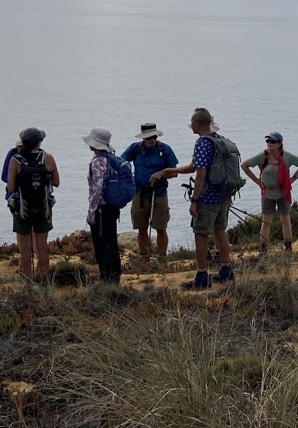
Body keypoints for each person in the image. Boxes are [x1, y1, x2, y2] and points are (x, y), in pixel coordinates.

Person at [157, 107, 236, 290]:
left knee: (200, 234)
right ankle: (226, 269)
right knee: (220, 231)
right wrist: (174, 170)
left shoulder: (202, 143)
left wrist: (194, 200)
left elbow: (200, 174)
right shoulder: (219, 140)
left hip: (207, 197)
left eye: (191, 122)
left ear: (196, 123)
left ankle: (202, 276)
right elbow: (194, 166)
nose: (190, 125)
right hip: (222, 195)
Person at [119, 122, 179, 269]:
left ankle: (163, 259)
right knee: (141, 227)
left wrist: (161, 174)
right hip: (139, 192)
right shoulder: (135, 148)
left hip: (159, 193)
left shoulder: (165, 149)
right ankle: (143, 258)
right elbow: (121, 162)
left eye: (154, 137)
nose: (151, 140)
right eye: (148, 138)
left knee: (160, 226)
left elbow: (175, 172)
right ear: (143, 138)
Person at [6, 127, 60, 282]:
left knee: (24, 248)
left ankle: (27, 281)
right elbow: (56, 182)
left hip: (22, 209)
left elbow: (10, 187)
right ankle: (44, 280)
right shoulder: (47, 158)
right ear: (39, 142)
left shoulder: (16, 160)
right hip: (43, 209)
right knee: (42, 246)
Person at [242, 132, 298, 254]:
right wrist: (257, 181)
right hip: (267, 193)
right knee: (266, 222)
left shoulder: (287, 156)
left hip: (283, 192)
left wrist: (293, 178)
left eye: (272, 141)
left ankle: (288, 248)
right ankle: (263, 250)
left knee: (285, 220)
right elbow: (244, 165)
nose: (269, 143)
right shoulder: (263, 156)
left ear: (279, 144)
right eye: (267, 141)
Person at [83, 128, 123, 284]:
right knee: (112, 240)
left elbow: (97, 187)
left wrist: (91, 211)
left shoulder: (98, 161)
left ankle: (106, 277)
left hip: (101, 208)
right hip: (112, 207)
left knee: (101, 243)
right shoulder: (111, 158)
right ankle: (115, 275)